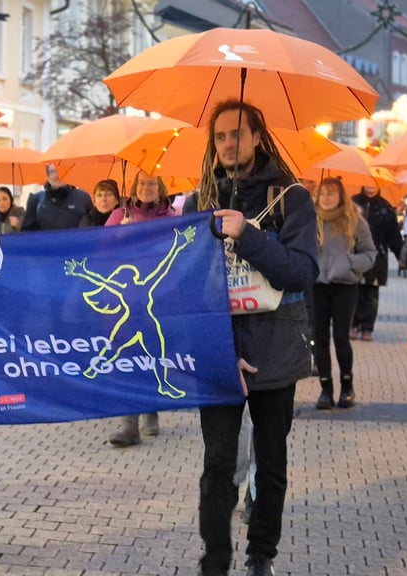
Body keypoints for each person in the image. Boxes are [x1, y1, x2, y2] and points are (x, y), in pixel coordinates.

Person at [184, 100, 317, 576]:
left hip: (275, 349)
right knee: (218, 462)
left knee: (271, 460)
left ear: (258, 137)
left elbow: (301, 272)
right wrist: (218, 349)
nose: (227, 144)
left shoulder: (292, 198)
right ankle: (214, 560)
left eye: (236, 134)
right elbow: (184, 287)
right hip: (218, 352)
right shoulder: (196, 202)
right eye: (219, 136)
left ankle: (261, 555)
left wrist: (248, 235)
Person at [103, 171, 177, 447]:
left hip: (158, 300)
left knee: (153, 355)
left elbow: (179, 256)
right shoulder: (118, 215)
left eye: (152, 184)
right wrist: (118, 233)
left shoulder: (170, 219)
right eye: (142, 183)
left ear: (160, 188)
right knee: (128, 360)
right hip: (124, 305)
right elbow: (100, 251)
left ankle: (152, 408)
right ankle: (129, 423)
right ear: (133, 188)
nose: (147, 188)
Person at [313, 178, 376, 409]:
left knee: (341, 338)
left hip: (345, 287)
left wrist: (350, 263)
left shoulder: (354, 221)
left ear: (341, 195)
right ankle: (325, 389)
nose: (327, 198)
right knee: (319, 338)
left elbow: (370, 254)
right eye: (323, 193)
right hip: (317, 286)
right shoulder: (310, 220)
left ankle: (347, 387)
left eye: (332, 193)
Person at [350, 186, 402, 341]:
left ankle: (367, 328)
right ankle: (353, 325)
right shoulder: (353, 203)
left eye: (374, 185)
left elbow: (394, 236)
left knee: (371, 295)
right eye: (367, 184)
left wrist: (402, 257)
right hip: (355, 254)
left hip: (378, 257)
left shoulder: (386, 208)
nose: (370, 188)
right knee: (354, 293)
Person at [21, 163, 92, 231]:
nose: (58, 175)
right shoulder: (36, 201)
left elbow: (93, 227)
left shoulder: (83, 198)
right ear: (47, 177)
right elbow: (27, 234)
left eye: (61, 170)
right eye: (53, 171)